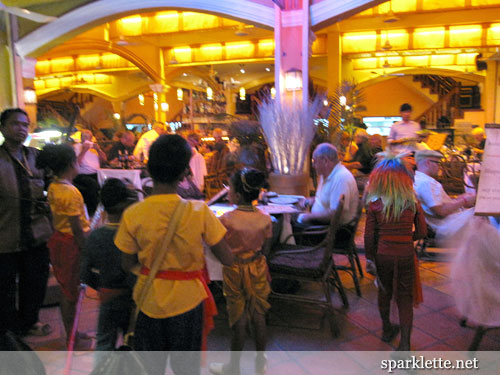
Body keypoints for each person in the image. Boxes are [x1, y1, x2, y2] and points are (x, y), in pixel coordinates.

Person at [115, 134, 234, 375]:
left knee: (151, 368)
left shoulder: (133, 213)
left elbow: (126, 263)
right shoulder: (199, 211)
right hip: (188, 301)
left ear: (148, 169)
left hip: (148, 299)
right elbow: (228, 258)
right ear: (184, 173)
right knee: (186, 368)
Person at [209, 169, 272, 375]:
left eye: (230, 187)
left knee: (238, 316)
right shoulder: (265, 219)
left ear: (236, 194)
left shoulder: (226, 219)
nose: (227, 191)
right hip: (257, 267)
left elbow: (217, 245)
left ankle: (233, 366)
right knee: (258, 314)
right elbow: (266, 249)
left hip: (234, 269)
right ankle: (260, 361)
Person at [364, 154, 427, 351]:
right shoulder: (412, 203)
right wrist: (409, 238)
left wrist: (371, 258)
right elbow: (423, 232)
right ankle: (406, 344)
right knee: (405, 298)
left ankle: (386, 329)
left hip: (383, 255)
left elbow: (368, 237)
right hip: (406, 254)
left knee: (384, 292)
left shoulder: (374, 204)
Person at [0, 108, 52, 337]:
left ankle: (30, 321)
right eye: (15, 124)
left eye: (25, 124)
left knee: (35, 282)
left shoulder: (36, 156)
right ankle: (10, 330)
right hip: (5, 235)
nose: (21, 129)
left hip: (36, 233)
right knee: (5, 288)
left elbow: (53, 183)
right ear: (2, 128)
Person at [36, 144, 92, 348]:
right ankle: (71, 338)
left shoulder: (53, 187)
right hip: (71, 244)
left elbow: (54, 218)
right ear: (71, 164)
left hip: (58, 239)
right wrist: (85, 250)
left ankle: (72, 332)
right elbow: (77, 228)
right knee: (71, 292)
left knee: (66, 288)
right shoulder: (72, 192)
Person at [81, 178, 137, 366]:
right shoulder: (134, 234)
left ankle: (101, 370)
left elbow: (86, 272)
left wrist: (101, 286)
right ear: (126, 203)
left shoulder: (95, 236)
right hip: (133, 298)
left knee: (104, 341)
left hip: (107, 296)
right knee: (135, 341)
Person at [413, 150, 475, 238]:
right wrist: (463, 201)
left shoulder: (420, 179)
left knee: (482, 214)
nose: (440, 167)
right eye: (438, 163)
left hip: (448, 221)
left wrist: (457, 199)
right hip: (446, 226)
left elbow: (438, 204)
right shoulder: (425, 183)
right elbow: (441, 211)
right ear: (428, 163)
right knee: (483, 215)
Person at [298, 143, 359, 227]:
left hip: (331, 230)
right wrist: (311, 200)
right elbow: (326, 199)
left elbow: (335, 214)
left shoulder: (341, 178)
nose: (313, 165)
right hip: (323, 224)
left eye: (314, 161)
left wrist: (309, 216)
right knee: (289, 220)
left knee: (288, 225)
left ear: (325, 161)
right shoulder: (326, 174)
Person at [73, 129, 106, 217]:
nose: (88, 139)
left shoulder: (94, 148)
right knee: (93, 185)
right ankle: (93, 211)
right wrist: (83, 150)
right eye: (85, 137)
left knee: (108, 182)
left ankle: (106, 208)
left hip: (97, 173)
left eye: (89, 137)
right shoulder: (77, 147)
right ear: (81, 138)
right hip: (82, 175)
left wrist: (98, 150)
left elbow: (104, 160)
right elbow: (76, 164)